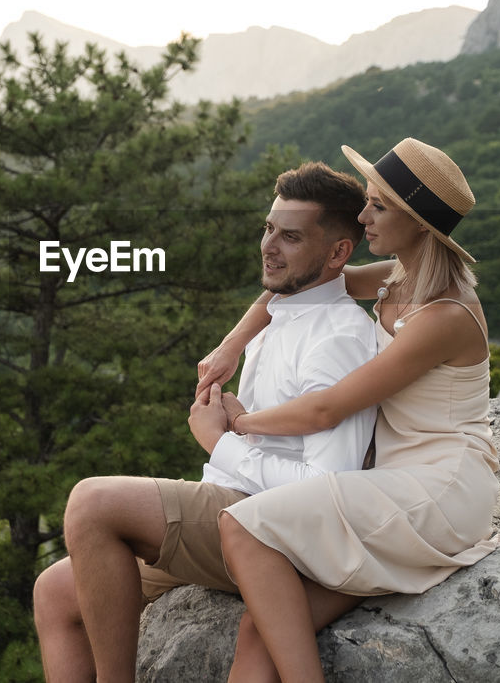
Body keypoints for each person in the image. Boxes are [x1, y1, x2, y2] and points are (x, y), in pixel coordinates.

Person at [33, 162, 382, 683]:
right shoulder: (283, 313)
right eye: (268, 228)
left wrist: (220, 441)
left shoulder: (336, 340)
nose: (269, 246)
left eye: (290, 237)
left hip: (271, 531)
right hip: (227, 511)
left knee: (92, 502)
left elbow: (327, 493)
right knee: (55, 591)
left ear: (337, 253)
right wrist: (240, 414)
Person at [194, 137, 500, 683]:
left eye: (378, 206)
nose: (362, 216)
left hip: (439, 487)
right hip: (391, 481)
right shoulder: (397, 278)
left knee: (243, 525)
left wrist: (236, 426)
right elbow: (296, 288)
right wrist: (231, 345)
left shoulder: (445, 314)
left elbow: (327, 409)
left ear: (418, 223)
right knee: (260, 629)